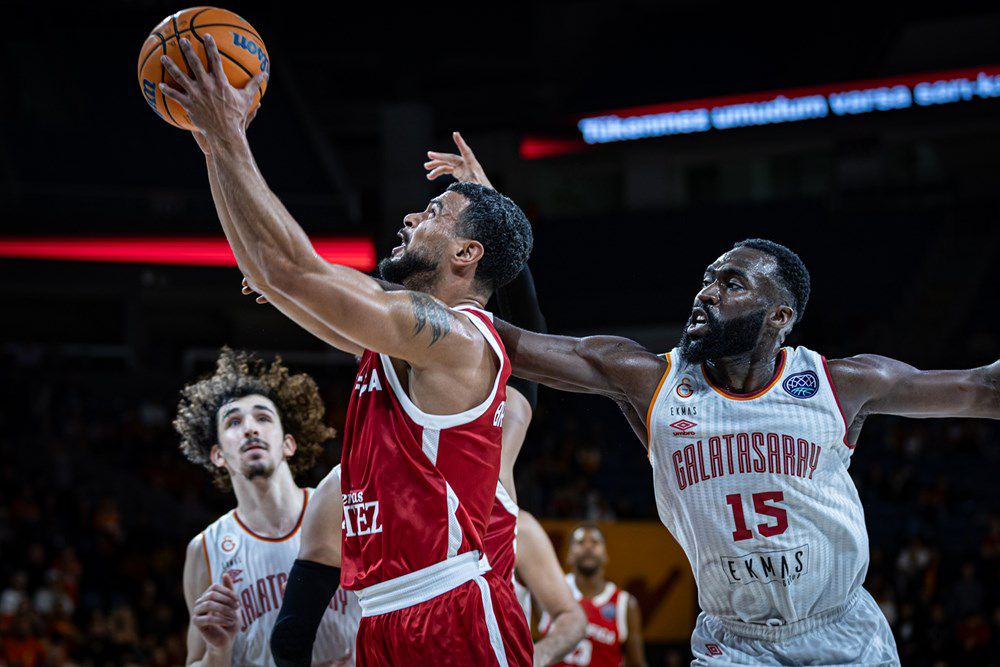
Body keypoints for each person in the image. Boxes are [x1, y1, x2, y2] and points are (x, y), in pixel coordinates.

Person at [160, 36, 534, 666]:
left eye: (437, 210)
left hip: (452, 613)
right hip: (383, 615)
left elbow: (289, 269)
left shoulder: (454, 340)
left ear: (467, 255)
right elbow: (272, 272)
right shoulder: (399, 345)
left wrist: (229, 136)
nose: (414, 216)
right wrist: (212, 148)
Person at [490, 236, 999, 664]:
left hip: (842, 632)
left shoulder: (837, 384)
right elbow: (508, 343)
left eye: (731, 284)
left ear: (780, 315)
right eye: (708, 279)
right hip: (734, 643)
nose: (706, 293)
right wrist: (496, 238)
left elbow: (982, 389)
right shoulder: (654, 382)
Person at [174, 349, 360, 666]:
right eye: (234, 421)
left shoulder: (339, 512)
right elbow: (195, 661)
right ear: (218, 455)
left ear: (289, 443)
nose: (250, 428)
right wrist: (219, 649)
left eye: (263, 417)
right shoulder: (205, 548)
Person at [540, 525, 646, 667]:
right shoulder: (551, 590)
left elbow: (637, 663)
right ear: (569, 555)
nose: (588, 547)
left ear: (605, 554)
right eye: (580, 542)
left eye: (595, 542)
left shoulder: (624, 603)